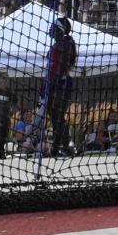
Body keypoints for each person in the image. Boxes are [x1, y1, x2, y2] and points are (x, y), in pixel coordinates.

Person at [44, 9, 78, 156]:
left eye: (54, 27)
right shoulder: (60, 44)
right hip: (56, 84)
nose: (50, 29)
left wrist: (51, 85)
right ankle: (58, 147)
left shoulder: (64, 45)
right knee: (55, 115)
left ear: (60, 30)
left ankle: (63, 146)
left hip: (60, 84)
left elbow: (59, 67)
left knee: (57, 115)